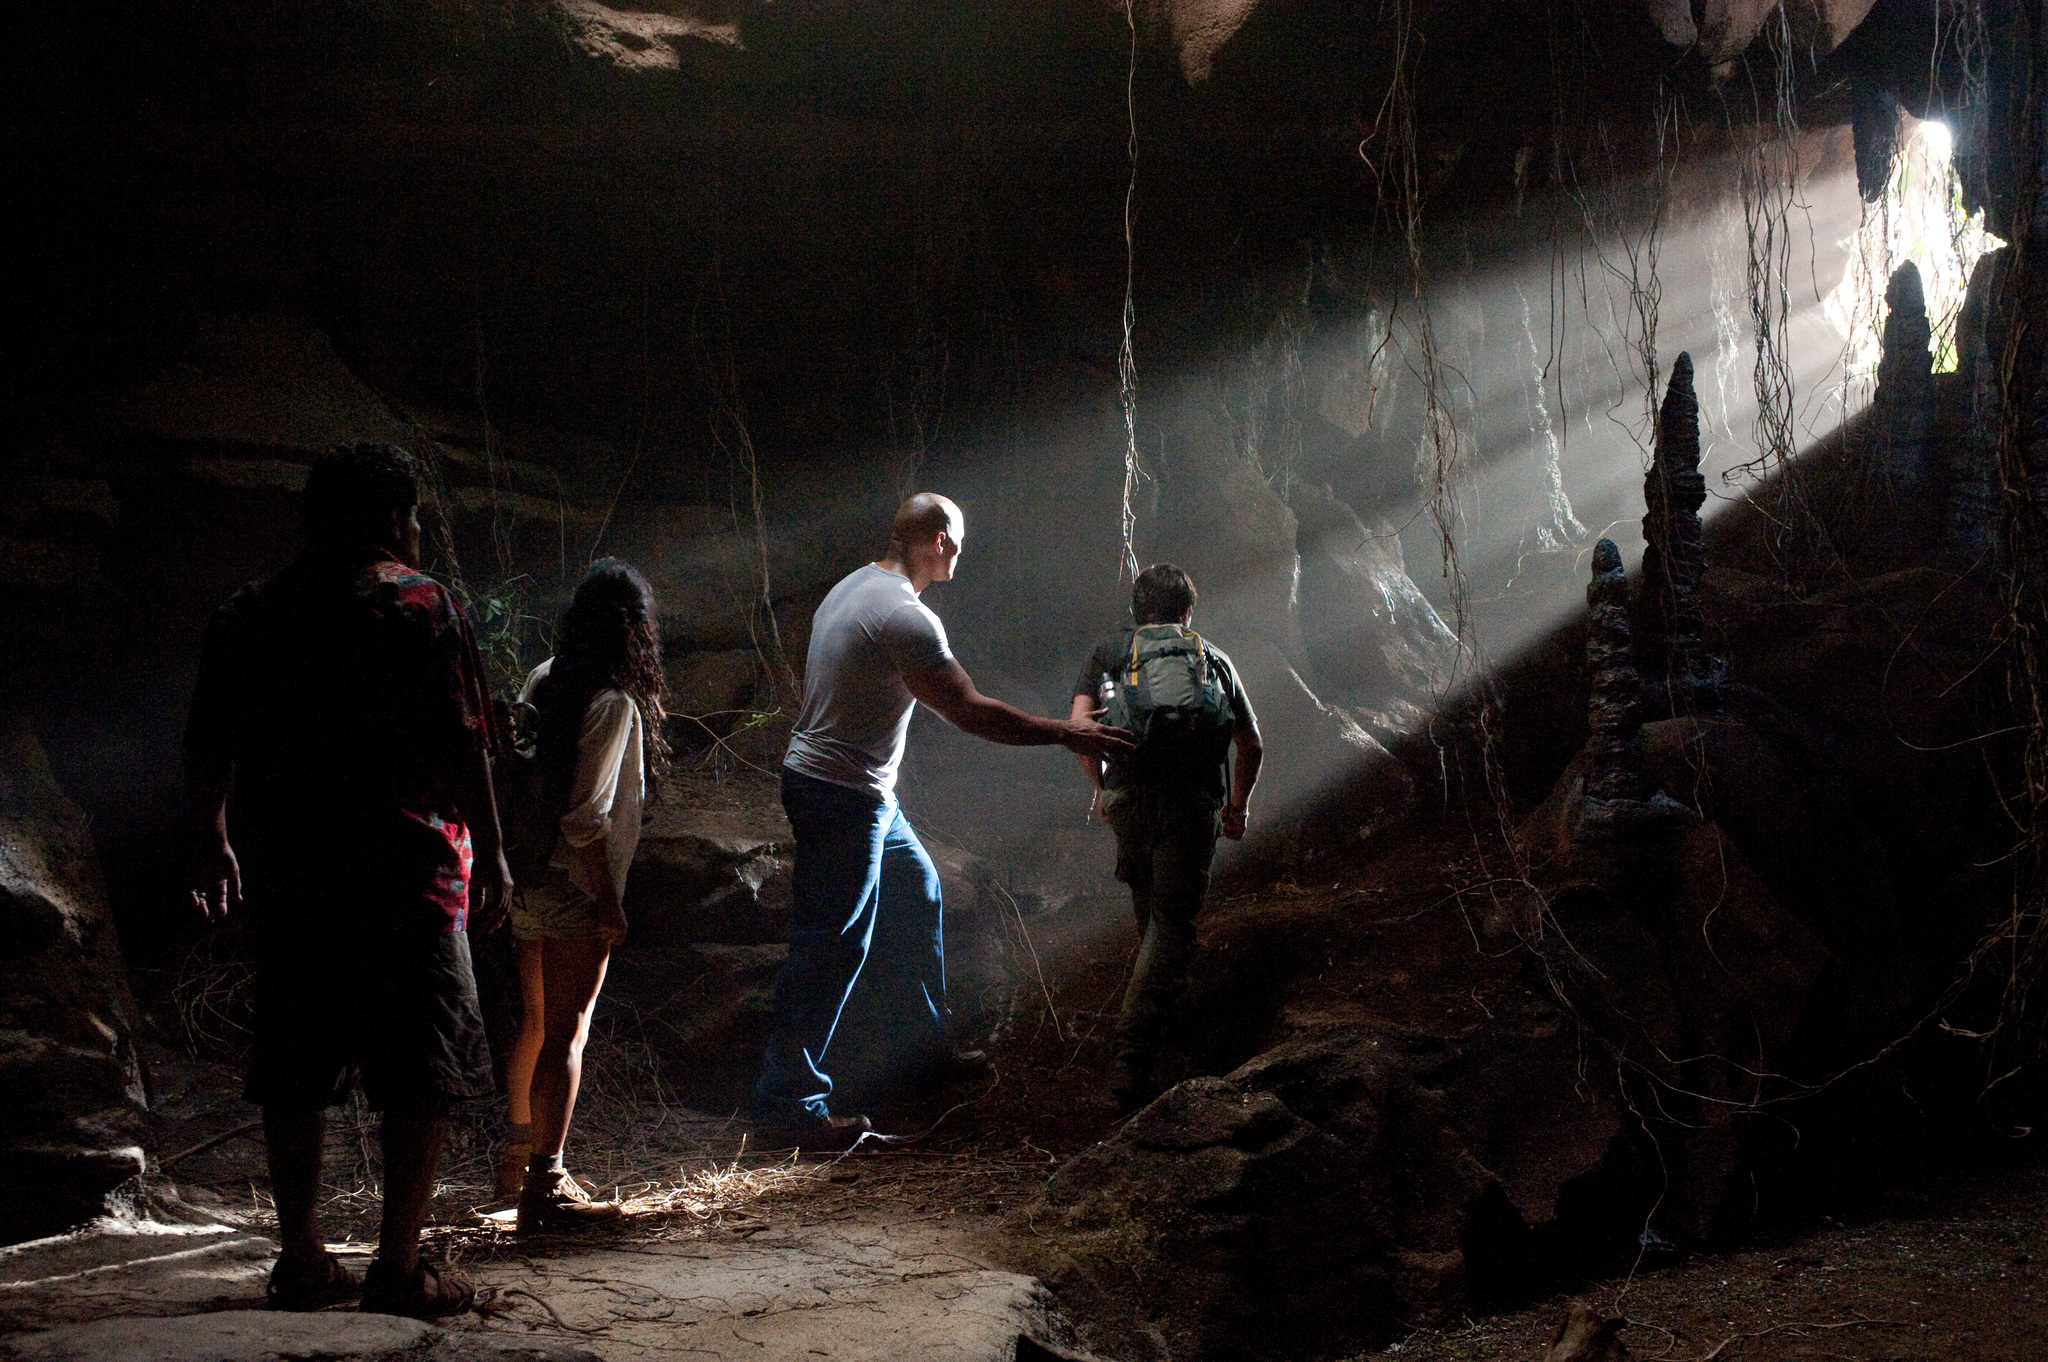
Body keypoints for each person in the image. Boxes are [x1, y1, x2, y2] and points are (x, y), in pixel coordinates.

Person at [184, 442, 512, 1318]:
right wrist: (498, 856)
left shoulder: (252, 611)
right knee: (422, 1068)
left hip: (296, 877)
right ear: (389, 516)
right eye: (410, 516)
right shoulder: (420, 604)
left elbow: (206, 740)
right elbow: (466, 739)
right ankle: (398, 1269)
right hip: (412, 876)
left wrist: (212, 838)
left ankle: (301, 1261)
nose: (415, 532)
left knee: (297, 1062)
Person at [754, 492, 1134, 1144]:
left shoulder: (854, 588)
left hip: (856, 788)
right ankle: (789, 1105)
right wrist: (1066, 734)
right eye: (956, 540)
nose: (961, 553)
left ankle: (921, 1053)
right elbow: (970, 711)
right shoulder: (903, 617)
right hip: (842, 793)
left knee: (917, 889)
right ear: (935, 540)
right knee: (831, 946)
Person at [498, 559, 668, 1233]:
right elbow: (586, 818)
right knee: (568, 1033)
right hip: (572, 885)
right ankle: (547, 1183)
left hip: (528, 877)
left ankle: (517, 1158)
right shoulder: (615, 705)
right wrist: (609, 901)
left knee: (536, 1023)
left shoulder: (546, 676)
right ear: (634, 631)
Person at [1071, 563, 1262, 1113]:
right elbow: (1251, 744)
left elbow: (1079, 729)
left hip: (1130, 797)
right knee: (1171, 922)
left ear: (1137, 611)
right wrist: (1237, 807)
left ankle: (1161, 1008)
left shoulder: (1109, 652)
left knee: (1151, 906)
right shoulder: (1213, 657)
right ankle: (1133, 1056)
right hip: (1192, 802)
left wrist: (1102, 789)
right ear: (1187, 613)